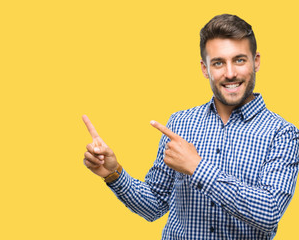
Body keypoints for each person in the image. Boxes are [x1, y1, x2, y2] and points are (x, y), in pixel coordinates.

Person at [82, 14, 299, 239]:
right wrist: (113, 173)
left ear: (256, 61)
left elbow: (269, 211)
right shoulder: (180, 123)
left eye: (239, 60)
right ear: (205, 69)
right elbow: (155, 205)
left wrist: (197, 167)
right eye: (218, 63)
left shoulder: (282, 134)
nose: (230, 73)